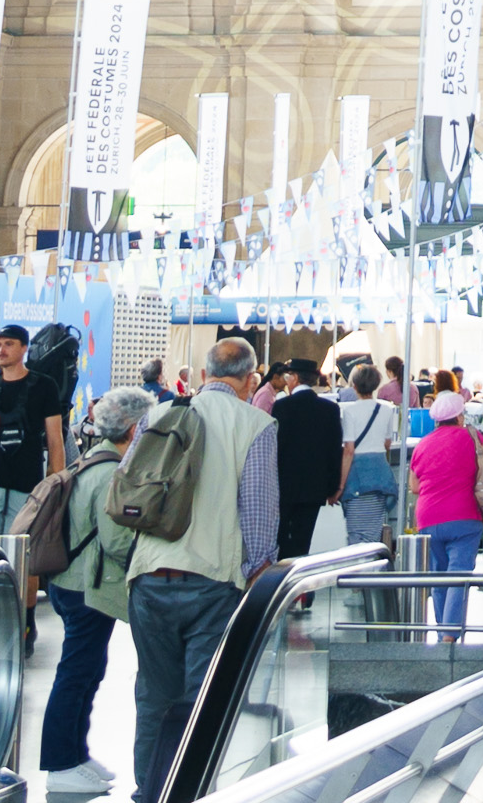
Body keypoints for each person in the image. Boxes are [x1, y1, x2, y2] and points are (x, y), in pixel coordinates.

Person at [124, 338, 283, 803]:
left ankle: (148, 791)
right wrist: (259, 573)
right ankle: (192, 791)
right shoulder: (256, 423)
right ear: (250, 380)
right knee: (203, 698)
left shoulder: (158, 415)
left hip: (149, 575)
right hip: (213, 582)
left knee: (153, 696)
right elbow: (258, 510)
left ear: (202, 374)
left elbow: (128, 488)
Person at [36, 387, 148, 802]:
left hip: (69, 582)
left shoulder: (90, 459)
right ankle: (60, 764)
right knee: (77, 675)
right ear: (133, 428)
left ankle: (76, 755)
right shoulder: (112, 473)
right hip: (87, 588)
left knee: (86, 671)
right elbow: (116, 541)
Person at [0, 326, 71, 550]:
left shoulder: (45, 386)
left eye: (9, 344)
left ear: (24, 348)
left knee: (19, 556)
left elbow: (55, 441)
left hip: (26, 485)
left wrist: (58, 487)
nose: (1, 350)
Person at [410, 388, 483, 633]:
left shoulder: (423, 444)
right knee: (458, 575)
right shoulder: (473, 437)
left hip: (428, 519)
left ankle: (441, 631)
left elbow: (415, 486)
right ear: (459, 416)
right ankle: (448, 634)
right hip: (464, 516)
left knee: (439, 577)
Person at [271, 361, 344, 558]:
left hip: (284, 485)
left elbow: (276, 447)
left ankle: (283, 570)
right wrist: (333, 487)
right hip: (315, 485)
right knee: (303, 538)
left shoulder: (282, 406)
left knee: (280, 537)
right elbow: (334, 449)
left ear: (294, 378)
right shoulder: (330, 409)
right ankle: (299, 571)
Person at [336, 363, 408, 553]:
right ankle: (370, 566)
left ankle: (357, 568)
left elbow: (349, 450)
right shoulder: (386, 410)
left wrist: (340, 486)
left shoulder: (349, 411)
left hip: (357, 478)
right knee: (373, 534)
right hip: (379, 476)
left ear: (354, 386)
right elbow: (386, 444)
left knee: (355, 534)